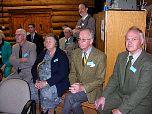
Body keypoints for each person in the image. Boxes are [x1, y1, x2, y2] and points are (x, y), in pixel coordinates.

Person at [95, 26, 152, 114]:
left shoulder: (148, 62)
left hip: (141, 100)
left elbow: (141, 91)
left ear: (142, 41)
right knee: (100, 107)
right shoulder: (121, 56)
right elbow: (114, 78)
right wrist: (104, 96)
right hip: (121, 95)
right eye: (127, 39)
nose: (129, 42)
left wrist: (122, 110)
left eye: (134, 39)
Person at [62, 28, 106, 114]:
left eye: (84, 39)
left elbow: (100, 80)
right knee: (75, 105)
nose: (80, 41)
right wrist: (74, 86)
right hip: (77, 88)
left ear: (91, 41)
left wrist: (83, 87)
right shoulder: (75, 53)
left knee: (69, 97)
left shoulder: (100, 56)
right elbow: (72, 73)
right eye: (79, 39)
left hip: (92, 90)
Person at [31, 33, 70, 114]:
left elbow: (63, 73)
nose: (47, 43)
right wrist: (36, 80)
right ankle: (43, 108)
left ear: (56, 43)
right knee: (30, 89)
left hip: (56, 81)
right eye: (46, 41)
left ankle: (50, 110)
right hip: (40, 79)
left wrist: (46, 82)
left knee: (46, 91)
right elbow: (34, 67)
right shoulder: (43, 53)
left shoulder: (61, 55)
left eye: (50, 41)